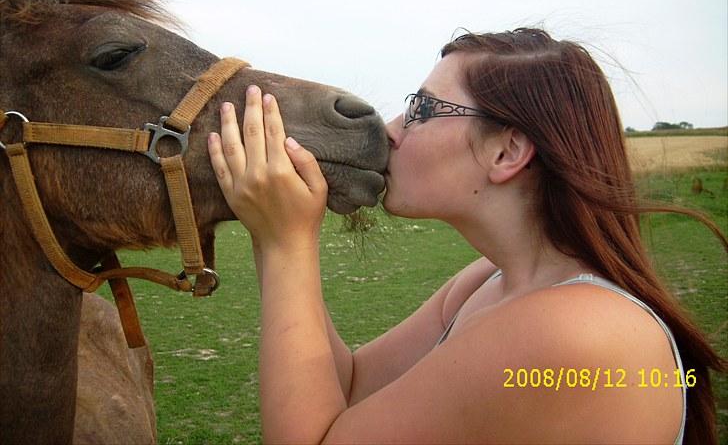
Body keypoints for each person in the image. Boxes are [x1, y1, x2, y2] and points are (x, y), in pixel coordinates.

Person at [207, 28, 726, 444]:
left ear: (506, 152)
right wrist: (272, 226)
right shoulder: (486, 282)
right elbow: (350, 387)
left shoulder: (572, 331)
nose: (391, 128)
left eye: (424, 109)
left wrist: (286, 247)